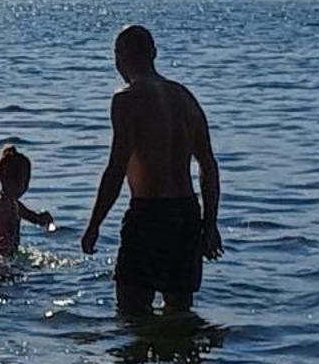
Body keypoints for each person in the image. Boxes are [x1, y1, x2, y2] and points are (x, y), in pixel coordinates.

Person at [81, 24, 221, 314]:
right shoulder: (185, 97)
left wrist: (94, 224)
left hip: (149, 214)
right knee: (180, 314)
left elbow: (116, 168)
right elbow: (208, 165)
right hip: (186, 214)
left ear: (118, 57)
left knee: (132, 313)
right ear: (154, 53)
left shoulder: (126, 99)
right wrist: (209, 224)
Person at [0, 144, 53, 257]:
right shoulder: (1, 204)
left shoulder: (14, 204)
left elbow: (32, 217)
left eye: (26, 181)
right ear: (5, 179)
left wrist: (42, 219)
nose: (24, 185)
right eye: (21, 181)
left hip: (9, 256)